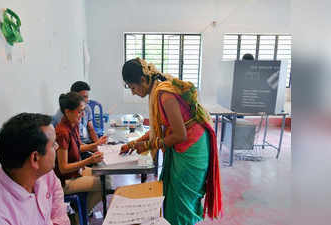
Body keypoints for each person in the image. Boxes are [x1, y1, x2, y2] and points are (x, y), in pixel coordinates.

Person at [119, 58, 222, 225]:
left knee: (182, 201)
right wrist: (132, 144)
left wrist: (146, 145)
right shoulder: (156, 92)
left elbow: (180, 134)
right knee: (172, 198)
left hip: (191, 147)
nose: (133, 92)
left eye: (133, 87)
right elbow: (158, 131)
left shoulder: (164, 95)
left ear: (144, 80)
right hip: (182, 145)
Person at [0, 113, 70, 225]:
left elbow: (59, 209)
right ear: (35, 158)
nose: (57, 147)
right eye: (53, 145)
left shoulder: (45, 174)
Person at [54, 92, 108, 214]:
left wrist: (95, 144)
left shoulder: (73, 124)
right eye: (79, 111)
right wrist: (89, 160)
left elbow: (77, 147)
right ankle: (80, 216)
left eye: (83, 111)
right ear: (68, 112)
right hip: (65, 180)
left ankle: (81, 210)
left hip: (76, 171)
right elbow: (63, 168)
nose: (82, 114)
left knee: (106, 176)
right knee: (105, 184)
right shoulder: (62, 132)